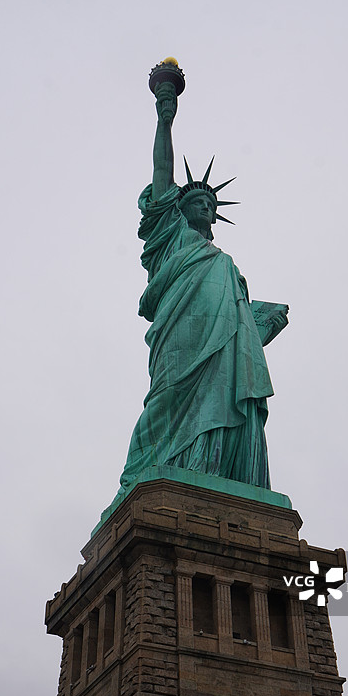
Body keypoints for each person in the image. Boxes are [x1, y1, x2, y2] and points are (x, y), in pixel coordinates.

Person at [116, 81, 288, 497]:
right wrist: (164, 117)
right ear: (178, 209)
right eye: (194, 201)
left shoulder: (225, 266)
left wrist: (263, 324)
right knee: (166, 401)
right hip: (180, 339)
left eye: (209, 204)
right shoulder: (170, 239)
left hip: (226, 351)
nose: (204, 206)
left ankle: (217, 476)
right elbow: (162, 172)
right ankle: (148, 477)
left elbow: (243, 326)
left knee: (225, 397)